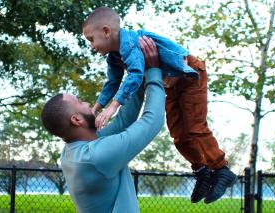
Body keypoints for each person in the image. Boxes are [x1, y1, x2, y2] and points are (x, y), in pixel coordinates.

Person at [82, 6, 237, 204]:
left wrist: (113, 107)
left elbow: (137, 74)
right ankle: (201, 170)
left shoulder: (130, 43)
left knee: (194, 127)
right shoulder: (114, 57)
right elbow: (112, 82)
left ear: (106, 31)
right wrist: (96, 108)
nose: (91, 46)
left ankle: (221, 169)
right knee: (178, 135)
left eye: (91, 39)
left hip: (190, 74)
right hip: (171, 83)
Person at [41, 37, 165, 212]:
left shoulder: (75, 150)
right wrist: (153, 71)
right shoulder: (95, 157)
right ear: (77, 120)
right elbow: (152, 121)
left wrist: (137, 74)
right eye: (79, 102)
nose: (86, 103)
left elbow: (123, 121)